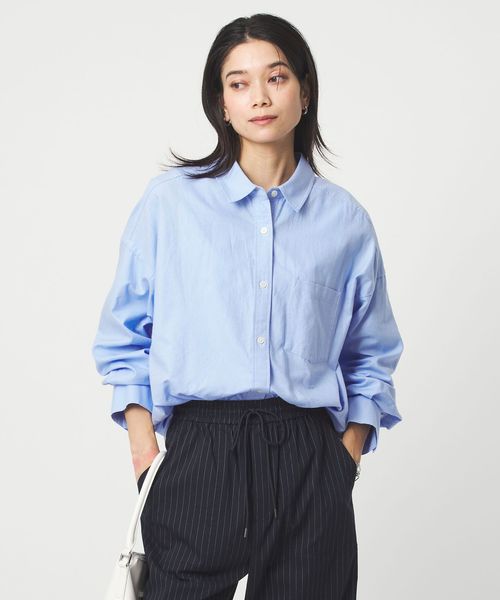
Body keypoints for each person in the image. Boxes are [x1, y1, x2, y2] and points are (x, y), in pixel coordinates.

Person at [91, 13, 404, 600]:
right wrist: (146, 460)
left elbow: (371, 355)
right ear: (222, 104)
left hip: (309, 457)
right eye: (239, 83)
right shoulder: (171, 206)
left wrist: (344, 461)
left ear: (304, 93)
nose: (259, 96)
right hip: (200, 453)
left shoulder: (345, 222)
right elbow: (125, 339)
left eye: (276, 77)